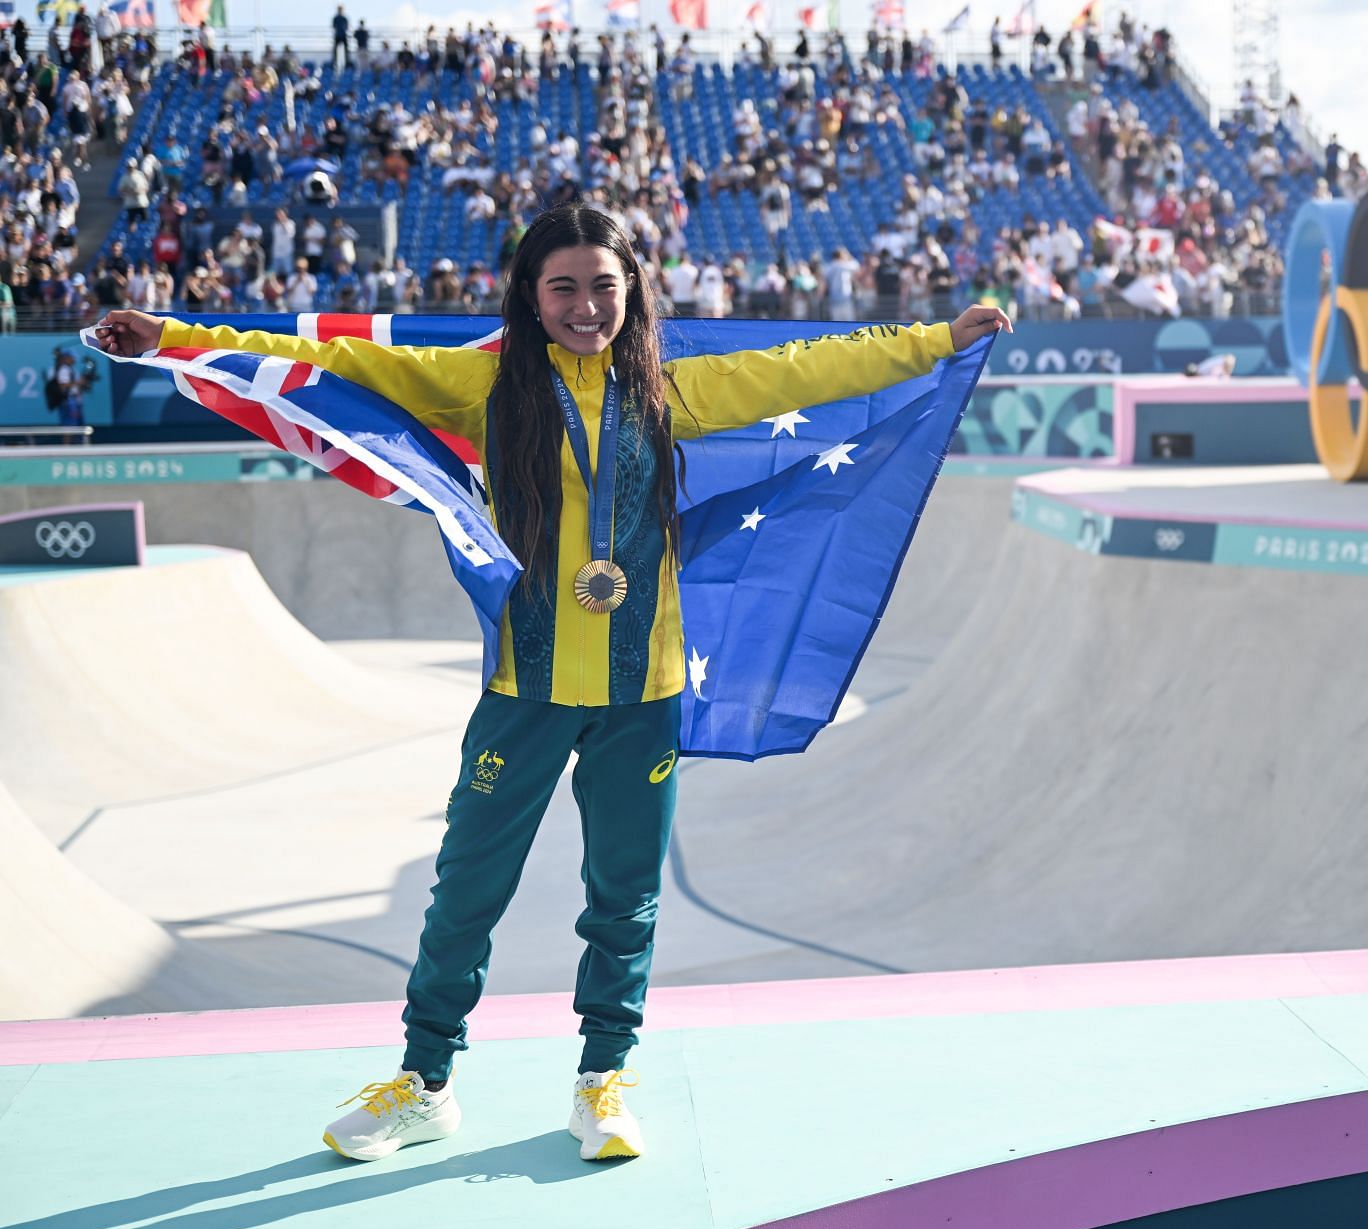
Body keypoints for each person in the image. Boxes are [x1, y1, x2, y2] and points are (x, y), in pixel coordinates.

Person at [95, 202, 1011, 1165]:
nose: (585, 307)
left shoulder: (669, 391)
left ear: (633, 294)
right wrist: (178, 337)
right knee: (466, 892)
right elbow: (331, 357)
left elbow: (808, 370)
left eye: (604, 288)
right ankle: (423, 1083)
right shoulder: (479, 384)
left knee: (623, 898)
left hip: (640, 693)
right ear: (531, 296)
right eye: (564, 287)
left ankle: (603, 1082)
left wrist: (936, 339)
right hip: (524, 689)